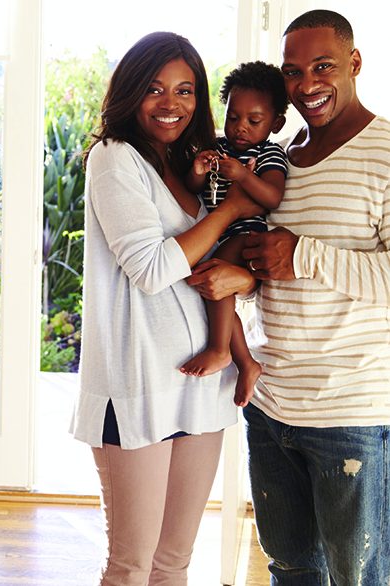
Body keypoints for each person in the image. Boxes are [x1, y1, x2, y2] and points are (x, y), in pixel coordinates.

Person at [200, 9, 390, 585]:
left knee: (357, 577)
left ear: (354, 63)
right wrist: (247, 279)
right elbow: (270, 267)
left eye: (323, 67)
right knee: (290, 571)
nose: (307, 84)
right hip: (271, 406)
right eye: (292, 71)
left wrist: (300, 252)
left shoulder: (385, 152)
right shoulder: (274, 159)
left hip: (351, 414)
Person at [69, 31, 260, 585]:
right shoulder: (113, 159)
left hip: (202, 382)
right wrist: (227, 216)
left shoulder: (190, 165)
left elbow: (216, 270)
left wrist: (240, 272)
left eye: (184, 90)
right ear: (130, 92)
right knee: (130, 566)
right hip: (135, 387)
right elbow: (152, 269)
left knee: (173, 562)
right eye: (154, 88)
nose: (170, 103)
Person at [180, 61, 288, 408]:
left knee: (215, 277)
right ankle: (246, 362)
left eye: (254, 121)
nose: (240, 128)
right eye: (233, 118)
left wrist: (242, 175)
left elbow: (272, 196)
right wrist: (199, 170)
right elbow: (196, 190)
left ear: (276, 123)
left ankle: (219, 349)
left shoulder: (270, 153)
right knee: (213, 287)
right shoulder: (218, 146)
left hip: (247, 236)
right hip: (218, 237)